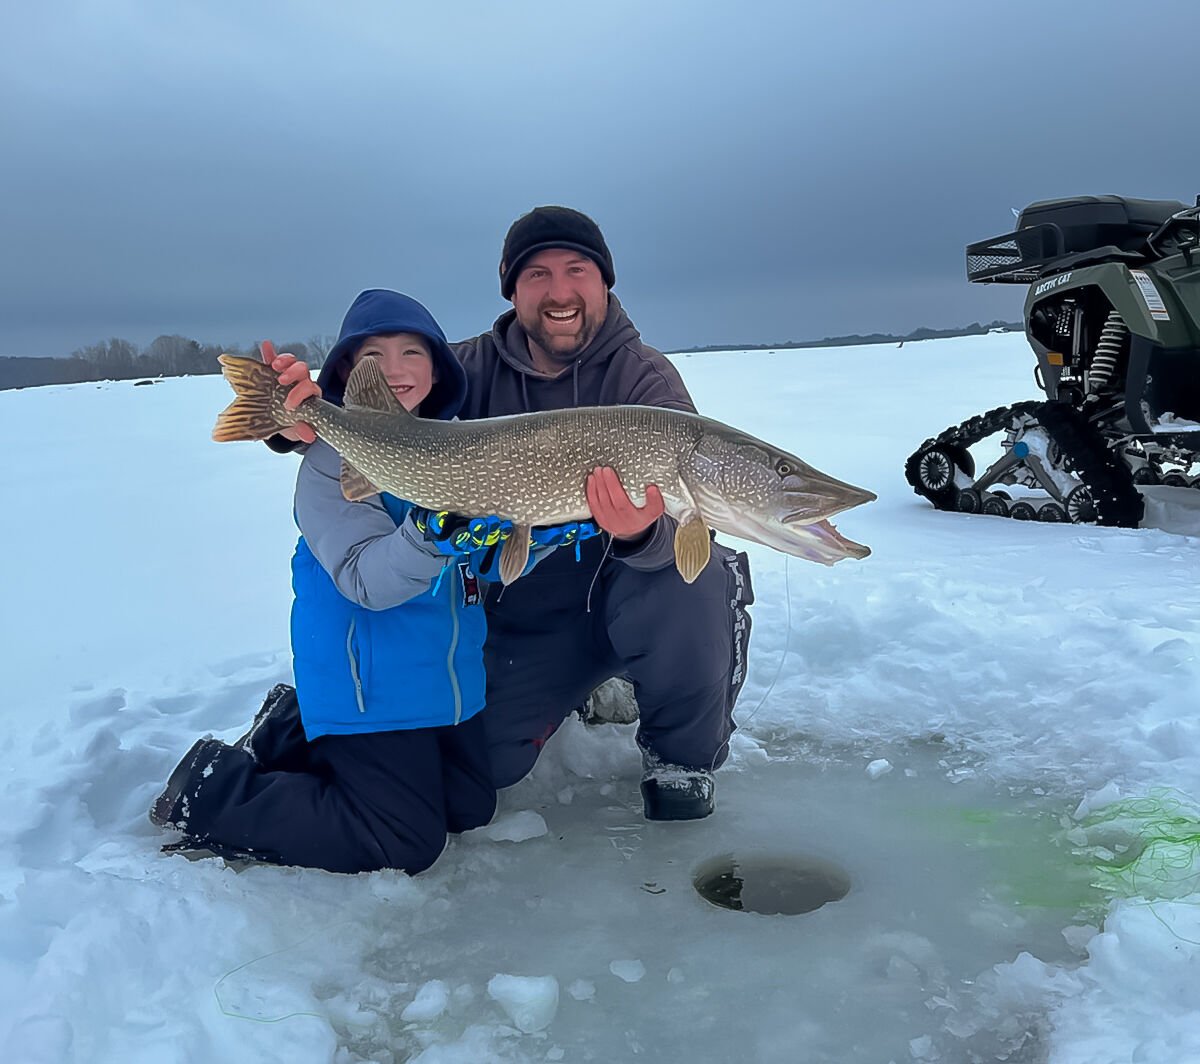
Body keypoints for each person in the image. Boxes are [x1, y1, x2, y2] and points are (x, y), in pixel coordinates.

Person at [266, 207, 755, 822]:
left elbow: (688, 517)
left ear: (604, 281)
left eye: (576, 270)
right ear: (511, 287)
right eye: (537, 275)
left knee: (694, 579)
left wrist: (637, 536)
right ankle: (308, 721)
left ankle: (680, 759)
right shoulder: (466, 368)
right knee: (483, 770)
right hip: (526, 608)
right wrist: (291, 422)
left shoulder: (644, 380)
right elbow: (386, 412)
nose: (559, 292)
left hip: (632, 595)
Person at [150, 289, 592, 872]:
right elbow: (366, 583)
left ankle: (290, 728)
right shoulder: (329, 462)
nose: (395, 369)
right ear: (348, 372)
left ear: (438, 368)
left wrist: (545, 533)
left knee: (469, 807)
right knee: (403, 839)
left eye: (412, 351)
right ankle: (213, 790)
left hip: (438, 684)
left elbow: (486, 562)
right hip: (366, 686)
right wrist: (429, 535)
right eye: (373, 356)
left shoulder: (464, 447)